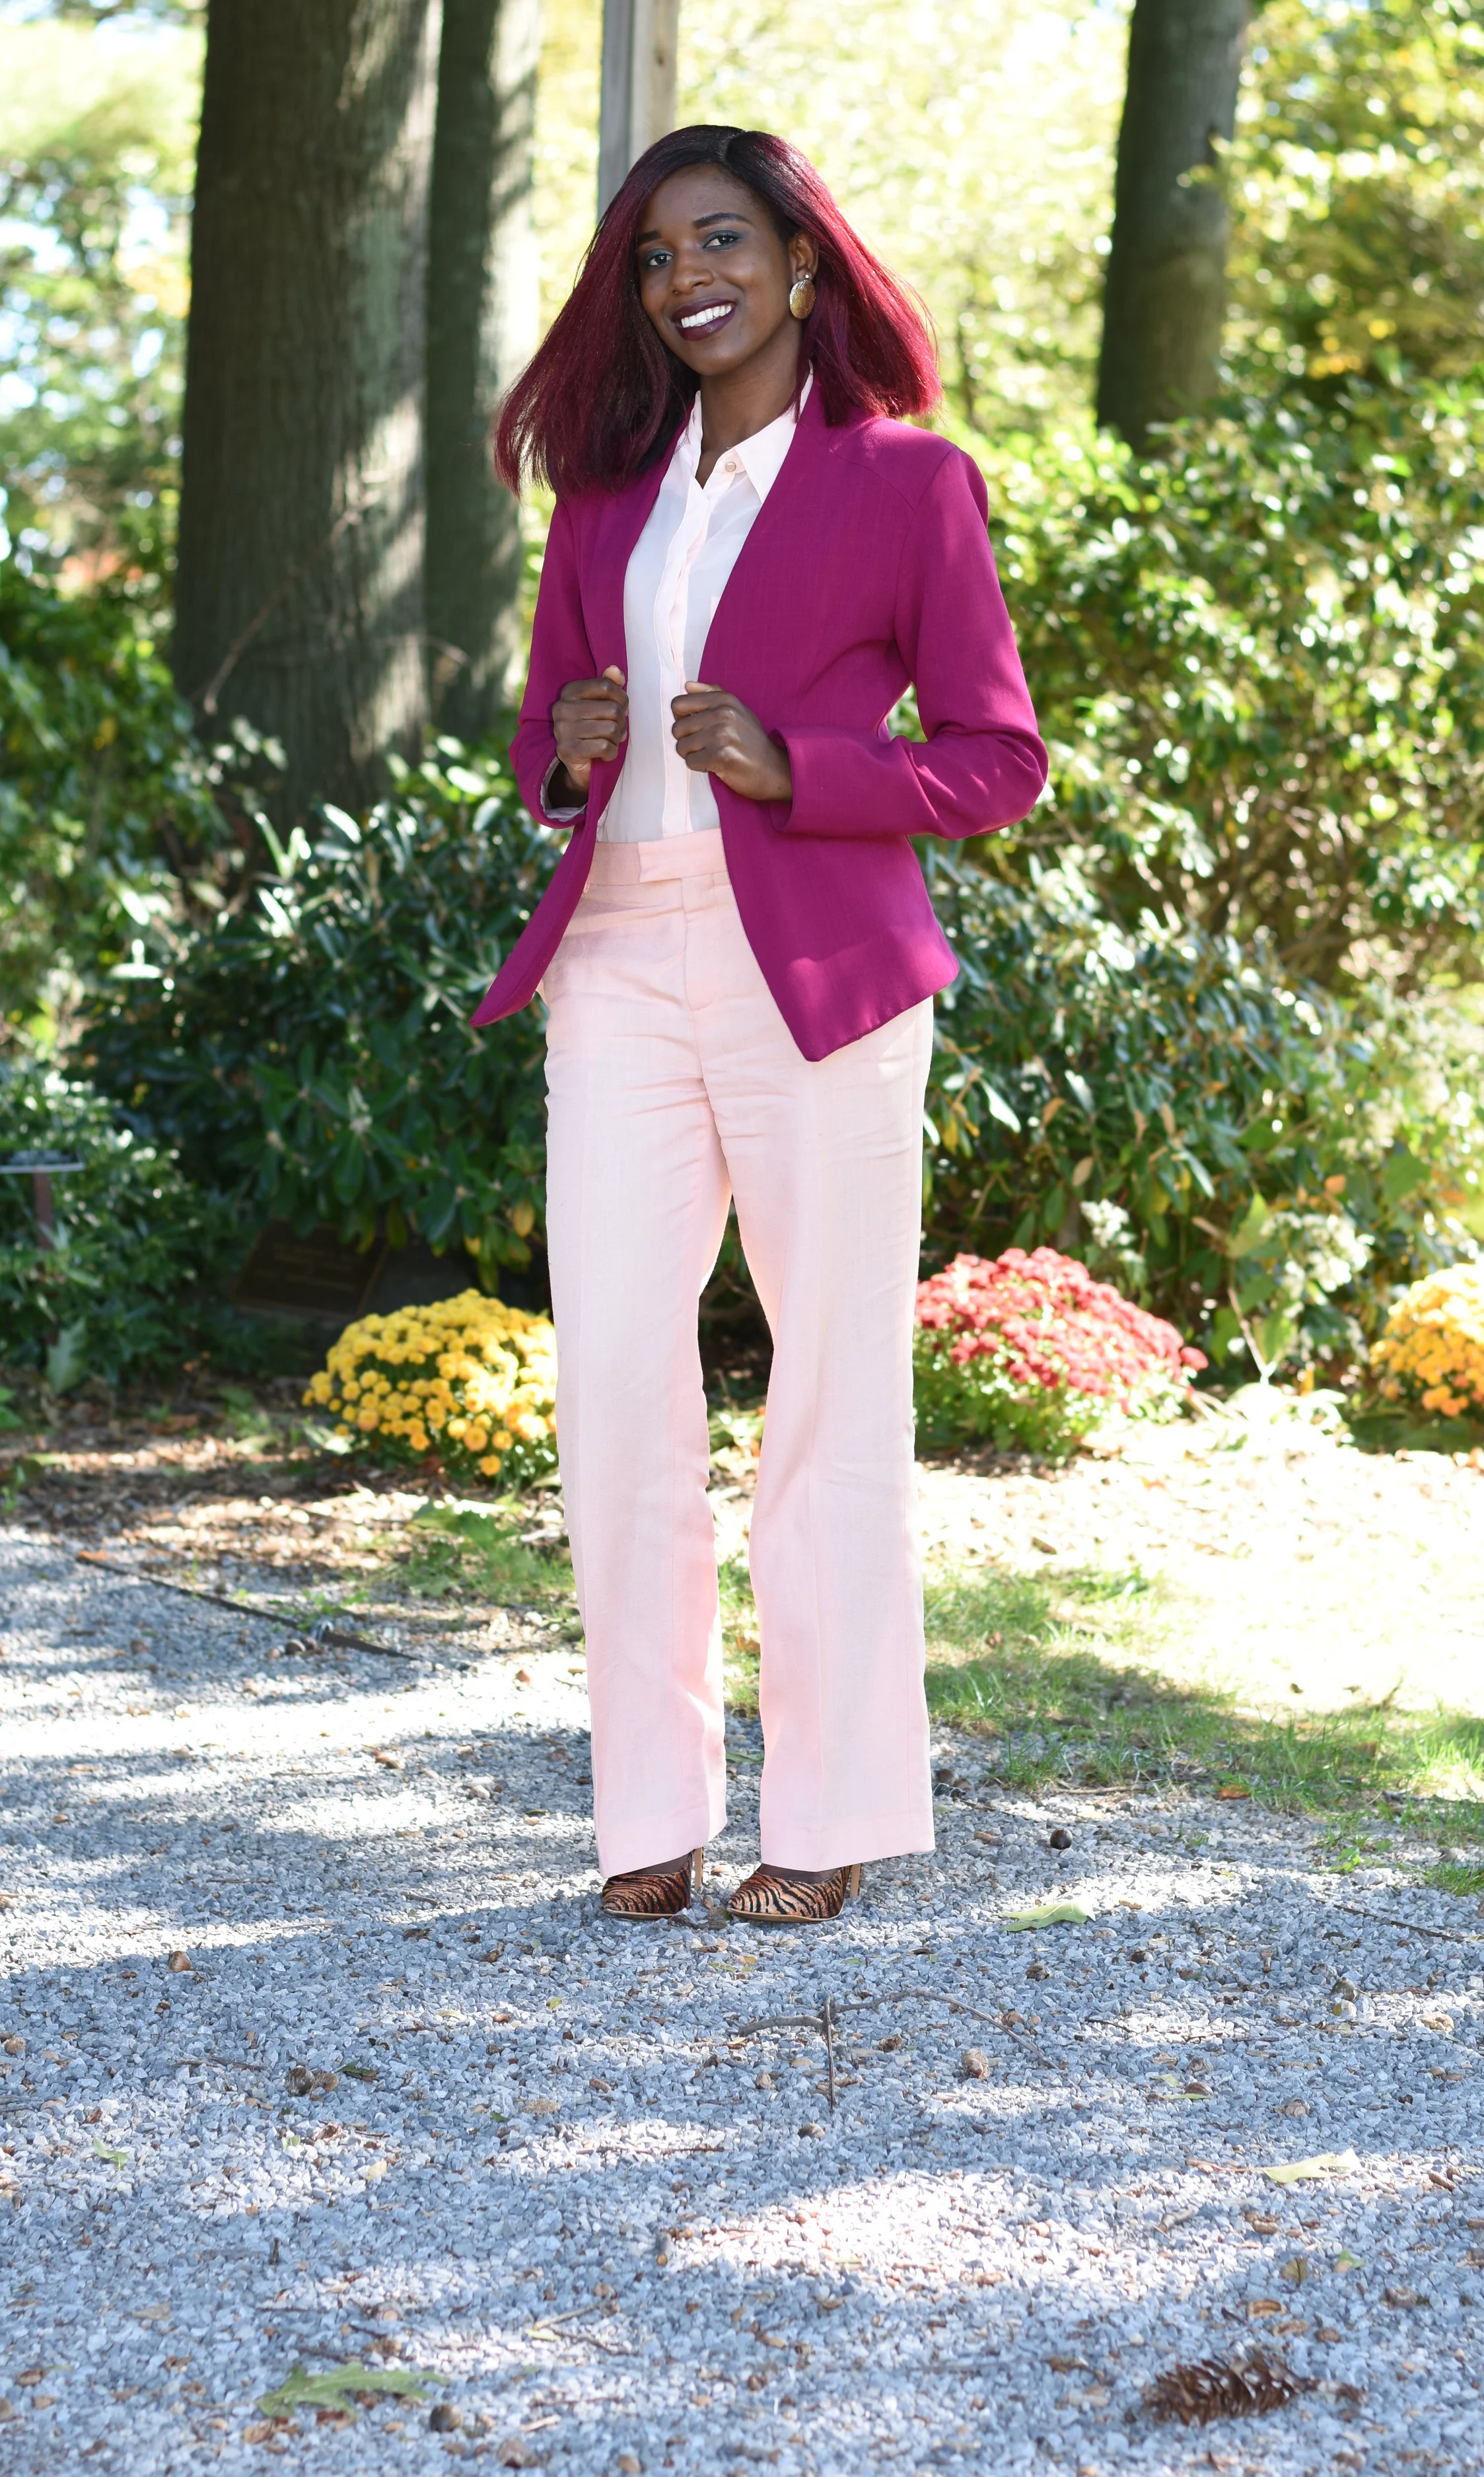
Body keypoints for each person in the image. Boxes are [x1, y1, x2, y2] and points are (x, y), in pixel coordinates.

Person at [476, 124, 1045, 1925]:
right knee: (616, 1386)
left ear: (802, 264)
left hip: (819, 980)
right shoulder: (602, 499)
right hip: (619, 970)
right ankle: (646, 1812)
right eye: (653, 257)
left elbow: (996, 758)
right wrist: (565, 747)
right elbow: (536, 752)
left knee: (828, 1391)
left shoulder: (905, 485)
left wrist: (800, 765)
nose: (682, 278)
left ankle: (828, 1814)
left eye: (718, 241)